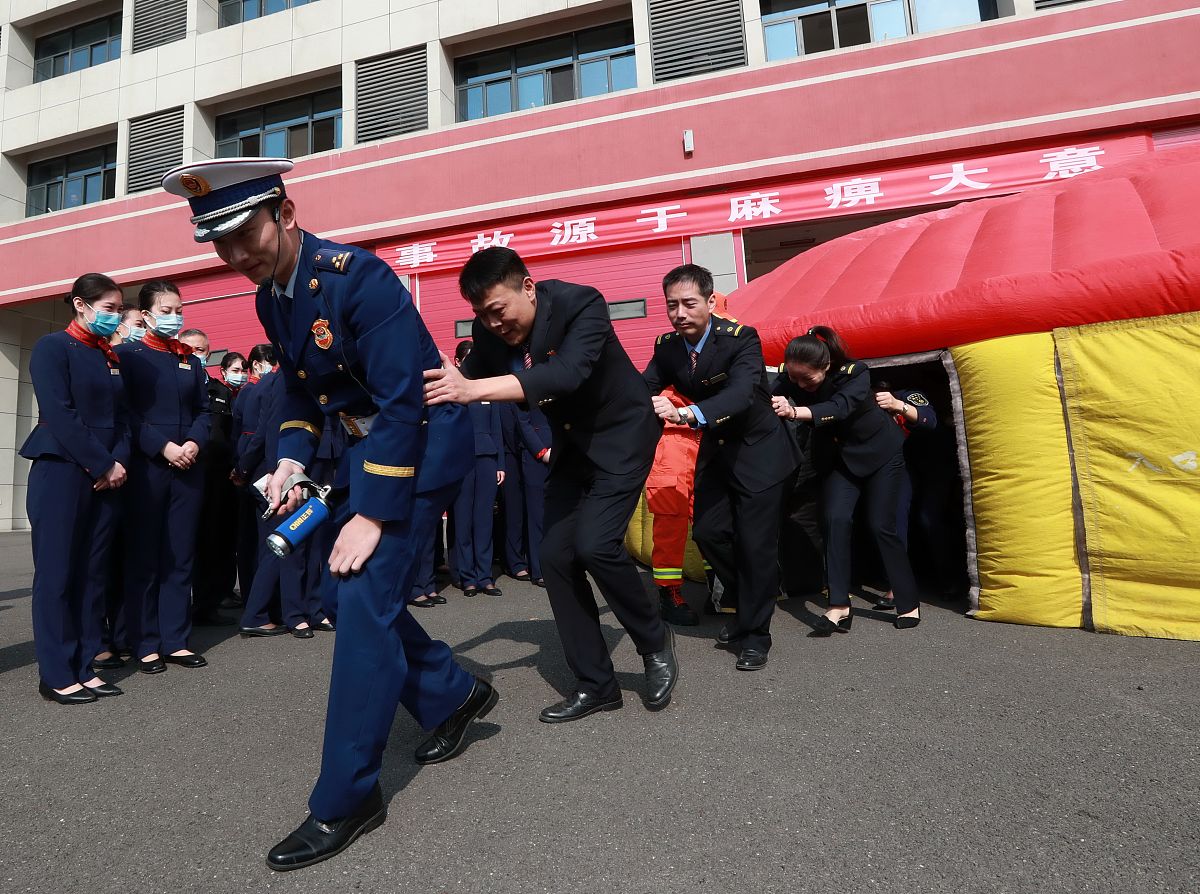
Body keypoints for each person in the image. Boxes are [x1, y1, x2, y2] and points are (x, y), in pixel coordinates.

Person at [163, 157, 495, 872]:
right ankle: (451, 691)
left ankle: (347, 797)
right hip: (363, 450)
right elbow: (301, 394)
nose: (235, 256)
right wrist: (288, 457)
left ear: (283, 212)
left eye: (243, 235)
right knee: (354, 600)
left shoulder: (357, 277)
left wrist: (371, 515)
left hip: (423, 446)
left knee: (360, 595)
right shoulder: (270, 297)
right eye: (219, 245)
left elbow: (405, 403)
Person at [425, 246, 677, 722]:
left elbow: (564, 374)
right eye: (482, 315)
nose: (493, 324)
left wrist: (472, 389)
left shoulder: (583, 304)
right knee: (555, 557)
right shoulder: (489, 327)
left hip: (622, 438)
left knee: (595, 545)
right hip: (572, 448)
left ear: (528, 287)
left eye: (498, 311)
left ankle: (653, 641)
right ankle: (597, 684)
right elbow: (469, 370)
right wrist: (441, 373)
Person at [643, 264, 799, 671]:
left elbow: (743, 393)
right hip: (717, 452)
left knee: (755, 545)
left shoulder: (741, 338)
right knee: (710, 533)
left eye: (689, 303)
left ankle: (755, 635)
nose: (679, 313)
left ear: (711, 302)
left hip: (760, 452)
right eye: (671, 305)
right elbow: (644, 386)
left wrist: (686, 413)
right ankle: (749, 604)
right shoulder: (668, 346)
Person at [22, 273, 130, 704]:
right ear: (80, 306)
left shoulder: (109, 357)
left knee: (92, 574)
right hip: (63, 470)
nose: (115, 316)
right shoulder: (53, 348)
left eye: (118, 308)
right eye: (107, 308)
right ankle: (56, 672)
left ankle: (86, 665)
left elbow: (123, 417)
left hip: (108, 476)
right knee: (58, 574)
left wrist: (117, 463)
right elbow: (60, 414)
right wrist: (102, 463)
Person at [771, 326, 921, 631]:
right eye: (794, 378)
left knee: (882, 525)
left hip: (881, 454)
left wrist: (794, 411)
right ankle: (839, 604)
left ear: (825, 366)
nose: (799, 384)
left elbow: (838, 408)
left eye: (807, 379)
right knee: (834, 519)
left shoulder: (855, 373)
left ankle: (907, 602)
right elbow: (766, 396)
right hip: (841, 459)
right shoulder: (791, 377)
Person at [116, 280, 211, 673]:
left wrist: (193, 443)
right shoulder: (127, 355)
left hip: (188, 467)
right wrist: (162, 447)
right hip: (148, 466)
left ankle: (176, 639)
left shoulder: (189, 358)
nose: (174, 317)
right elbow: (126, 414)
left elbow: (205, 411)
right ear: (147, 313)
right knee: (144, 555)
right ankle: (144, 640)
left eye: (178, 310)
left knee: (180, 553)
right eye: (166, 311)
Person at [180, 331, 239, 626]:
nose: (197, 354)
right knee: (182, 542)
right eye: (191, 349)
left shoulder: (220, 390)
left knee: (212, 541)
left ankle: (207, 605)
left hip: (216, 477)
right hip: (184, 470)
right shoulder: (176, 385)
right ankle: (177, 610)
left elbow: (228, 433)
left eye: (202, 349)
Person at [871, 380, 937, 610]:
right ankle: (894, 584)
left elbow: (929, 420)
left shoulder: (908, 394)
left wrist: (898, 405)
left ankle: (946, 578)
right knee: (892, 520)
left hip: (926, 463)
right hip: (887, 465)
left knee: (929, 520)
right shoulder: (859, 398)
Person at [449, 340, 505, 600]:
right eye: (467, 357)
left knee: (484, 519)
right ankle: (467, 577)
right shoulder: (453, 391)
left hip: (487, 459)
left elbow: (497, 429)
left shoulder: (484, 389)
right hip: (460, 460)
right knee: (463, 519)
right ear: (458, 361)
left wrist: (500, 464)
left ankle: (485, 576)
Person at [644, 387, 701, 626]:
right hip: (668, 455)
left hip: (700, 448)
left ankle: (720, 586)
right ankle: (669, 595)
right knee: (670, 532)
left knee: (710, 525)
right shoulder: (660, 379)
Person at [499, 402, 550, 587]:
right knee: (528, 512)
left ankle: (549, 564)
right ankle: (534, 567)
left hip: (553, 447)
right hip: (526, 449)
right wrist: (540, 451)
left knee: (549, 513)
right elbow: (521, 421)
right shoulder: (524, 379)